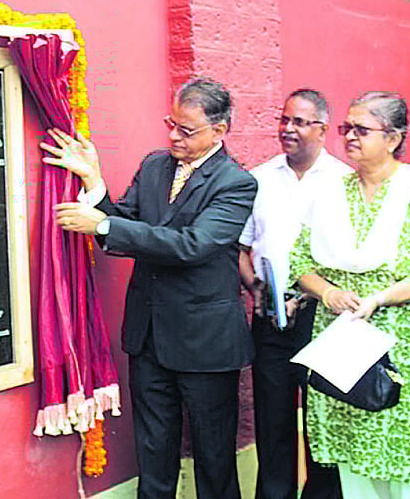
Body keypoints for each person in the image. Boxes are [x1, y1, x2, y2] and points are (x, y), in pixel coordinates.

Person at [41, 77, 257, 498]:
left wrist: (105, 225)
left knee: (214, 459)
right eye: (170, 124)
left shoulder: (236, 183)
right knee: (153, 453)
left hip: (206, 345)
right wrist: (94, 182)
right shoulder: (155, 166)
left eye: (186, 130)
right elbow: (126, 223)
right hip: (150, 338)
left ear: (219, 130)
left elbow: (193, 245)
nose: (174, 136)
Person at [290, 91, 410, 498]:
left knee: (407, 451)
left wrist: (379, 298)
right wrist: (329, 292)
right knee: (353, 450)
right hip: (342, 339)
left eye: (362, 129)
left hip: (407, 344)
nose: (350, 137)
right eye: (346, 128)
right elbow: (299, 262)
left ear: (393, 138)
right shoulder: (332, 191)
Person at [237, 89, 349, 499]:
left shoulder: (344, 181)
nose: (288, 129)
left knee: (323, 423)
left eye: (299, 122)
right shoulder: (259, 178)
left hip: (324, 317)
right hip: (271, 315)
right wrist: (255, 289)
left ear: (322, 129)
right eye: (284, 120)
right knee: (273, 421)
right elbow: (240, 248)